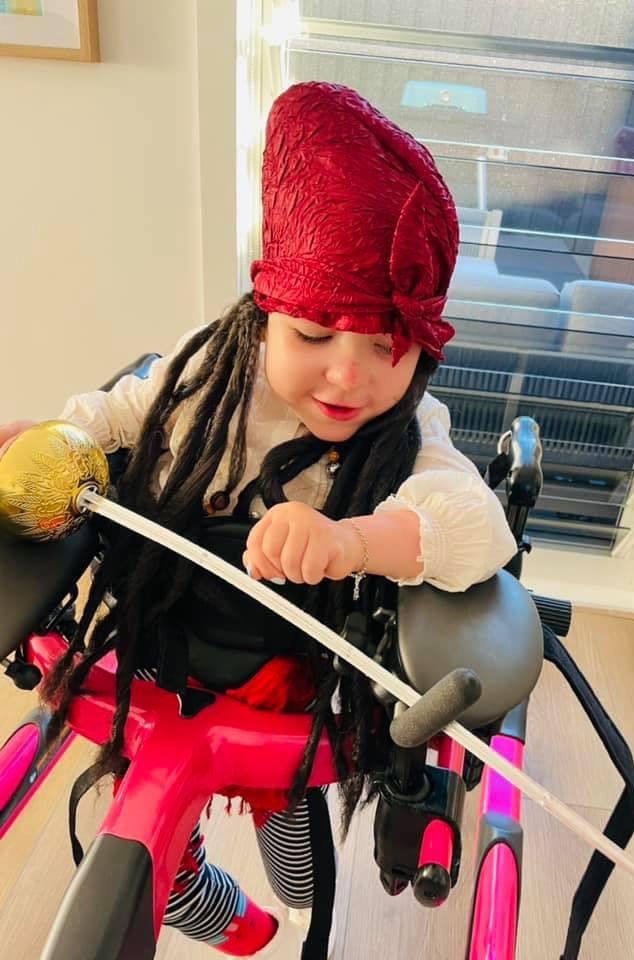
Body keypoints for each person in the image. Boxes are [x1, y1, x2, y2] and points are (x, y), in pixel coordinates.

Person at [0, 82, 516, 958]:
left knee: (304, 866)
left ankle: (289, 900)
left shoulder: (407, 431)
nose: (347, 378)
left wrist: (354, 539)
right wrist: (57, 441)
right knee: (111, 819)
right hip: (159, 648)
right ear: (265, 310)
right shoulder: (214, 372)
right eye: (314, 335)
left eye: (385, 350)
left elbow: (477, 527)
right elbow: (120, 412)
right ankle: (219, 911)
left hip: (288, 687)